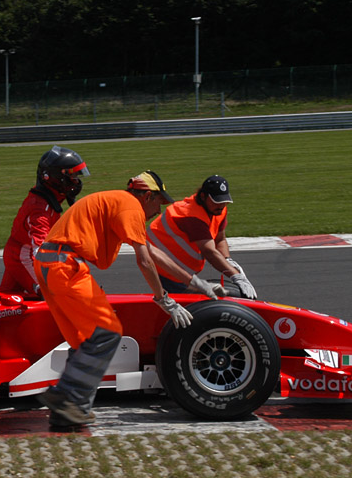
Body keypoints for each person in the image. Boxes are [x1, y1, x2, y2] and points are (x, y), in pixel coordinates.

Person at [33, 170, 223, 428]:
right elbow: (144, 261)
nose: (159, 210)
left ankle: (66, 409)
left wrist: (196, 283)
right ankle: (67, 397)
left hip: (48, 264)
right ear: (146, 196)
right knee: (107, 332)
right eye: (158, 202)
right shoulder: (131, 207)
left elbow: (153, 253)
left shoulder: (120, 203)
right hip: (65, 265)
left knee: (85, 340)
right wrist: (164, 299)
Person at [0, 145, 89, 299]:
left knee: (6, 299)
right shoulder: (40, 209)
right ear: (57, 178)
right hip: (24, 256)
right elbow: (40, 250)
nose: (76, 182)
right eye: (72, 177)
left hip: (19, 253)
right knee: (54, 292)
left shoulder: (50, 198)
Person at [148, 174, 257, 299]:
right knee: (186, 305)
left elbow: (220, 239)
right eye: (216, 201)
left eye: (224, 201)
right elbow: (209, 251)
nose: (221, 206)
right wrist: (235, 275)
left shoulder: (218, 210)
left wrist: (227, 260)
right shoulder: (191, 216)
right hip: (164, 267)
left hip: (181, 268)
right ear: (203, 196)